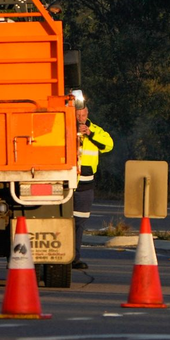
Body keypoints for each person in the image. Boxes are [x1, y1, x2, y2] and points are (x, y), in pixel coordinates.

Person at [72, 100, 114, 270]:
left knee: (80, 223)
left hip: (86, 184)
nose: (81, 118)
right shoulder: (64, 128)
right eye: (77, 115)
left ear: (87, 114)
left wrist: (90, 133)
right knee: (65, 221)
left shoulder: (96, 130)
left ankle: (75, 257)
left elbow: (109, 145)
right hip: (67, 182)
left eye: (83, 115)